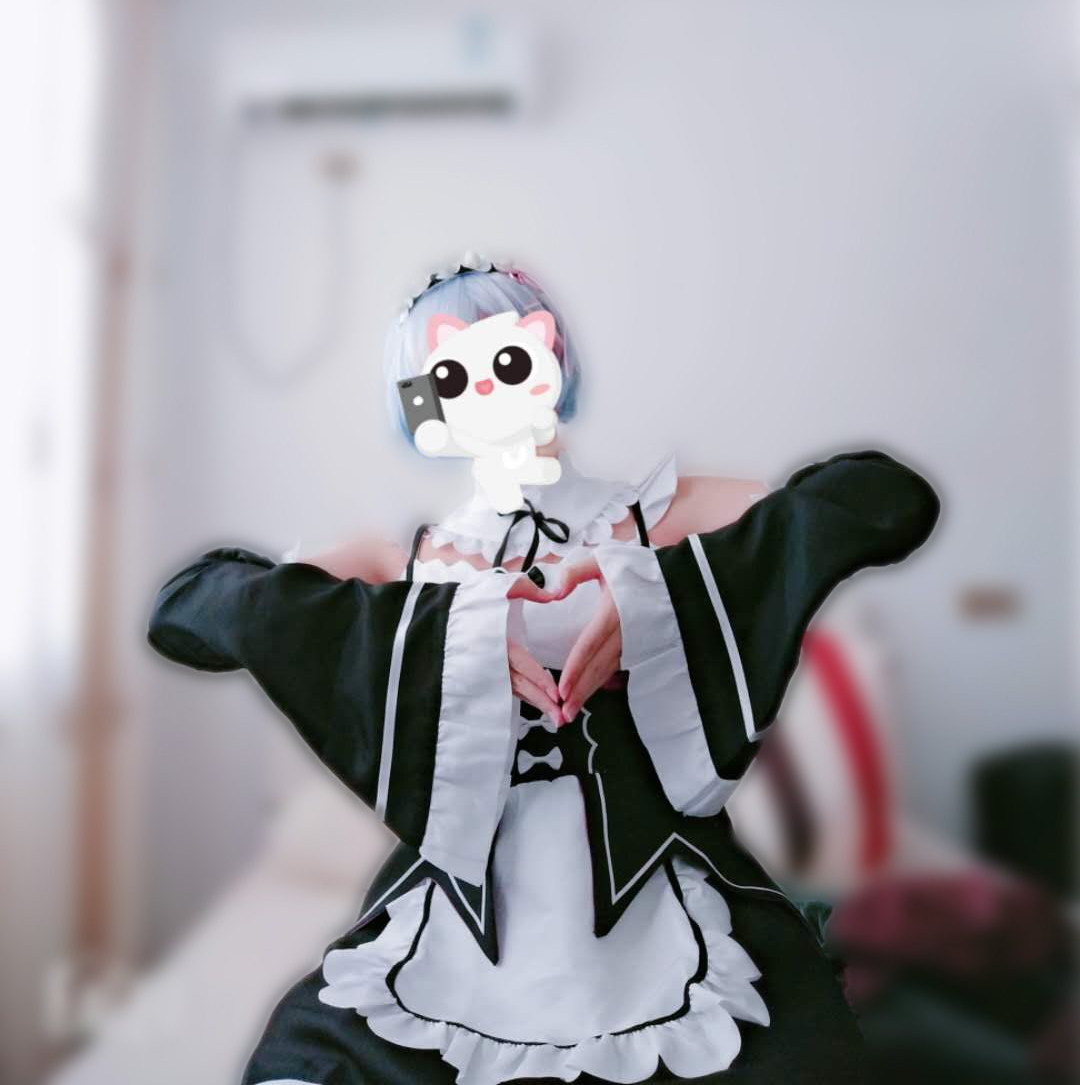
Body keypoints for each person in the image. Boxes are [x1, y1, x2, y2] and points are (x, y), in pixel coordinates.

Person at [148, 255, 940, 1085]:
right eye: (448, 378)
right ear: (420, 406)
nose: (485, 392)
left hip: (664, 888)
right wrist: (436, 637)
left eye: (508, 359)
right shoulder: (404, 563)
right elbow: (187, 612)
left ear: (550, 354)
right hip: (457, 909)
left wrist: (655, 593)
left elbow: (889, 500)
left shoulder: (656, 518)